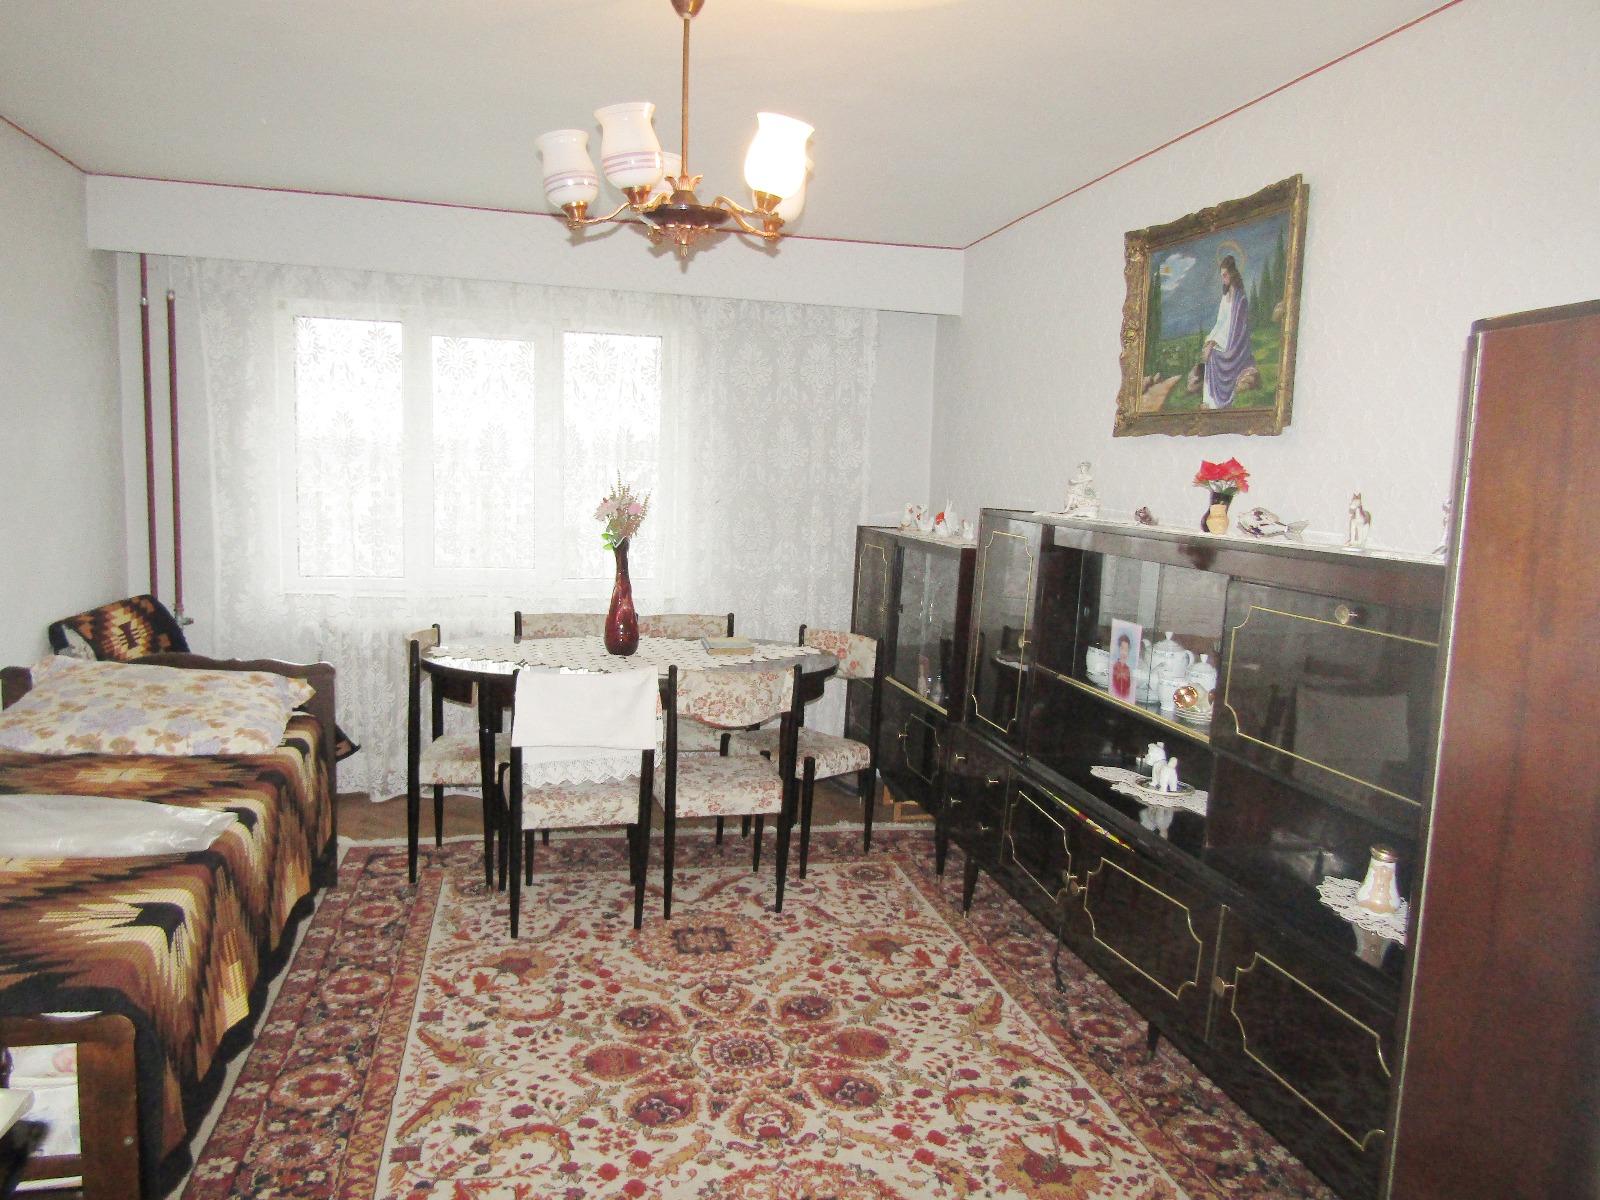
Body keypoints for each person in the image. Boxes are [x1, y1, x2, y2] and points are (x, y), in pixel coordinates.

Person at [1201, 254, 1256, 409]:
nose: (1223, 278)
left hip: (1236, 344)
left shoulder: (1241, 299)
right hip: (1224, 339)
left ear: (1232, 274)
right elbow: (1220, 322)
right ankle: (1209, 401)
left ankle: (1216, 403)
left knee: (1213, 354)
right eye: (1222, 276)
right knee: (1209, 352)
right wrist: (1209, 341)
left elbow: (1235, 327)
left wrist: (1213, 343)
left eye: (1225, 275)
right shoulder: (1225, 297)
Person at [1111, 634, 1133, 701]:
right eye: (1122, 648)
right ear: (1119, 649)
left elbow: (1129, 688)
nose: (1124, 652)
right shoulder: (1114, 666)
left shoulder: (1128, 669)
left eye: (1126, 649)